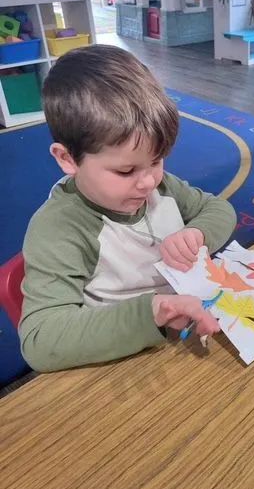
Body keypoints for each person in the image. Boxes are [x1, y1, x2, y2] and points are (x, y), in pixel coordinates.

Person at [19, 45, 237, 372]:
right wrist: (152, 312)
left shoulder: (162, 186)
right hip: (120, 363)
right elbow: (40, 339)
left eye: (157, 160)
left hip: (186, 338)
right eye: (126, 171)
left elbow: (218, 209)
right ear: (67, 159)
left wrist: (197, 232)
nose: (148, 182)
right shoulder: (60, 228)